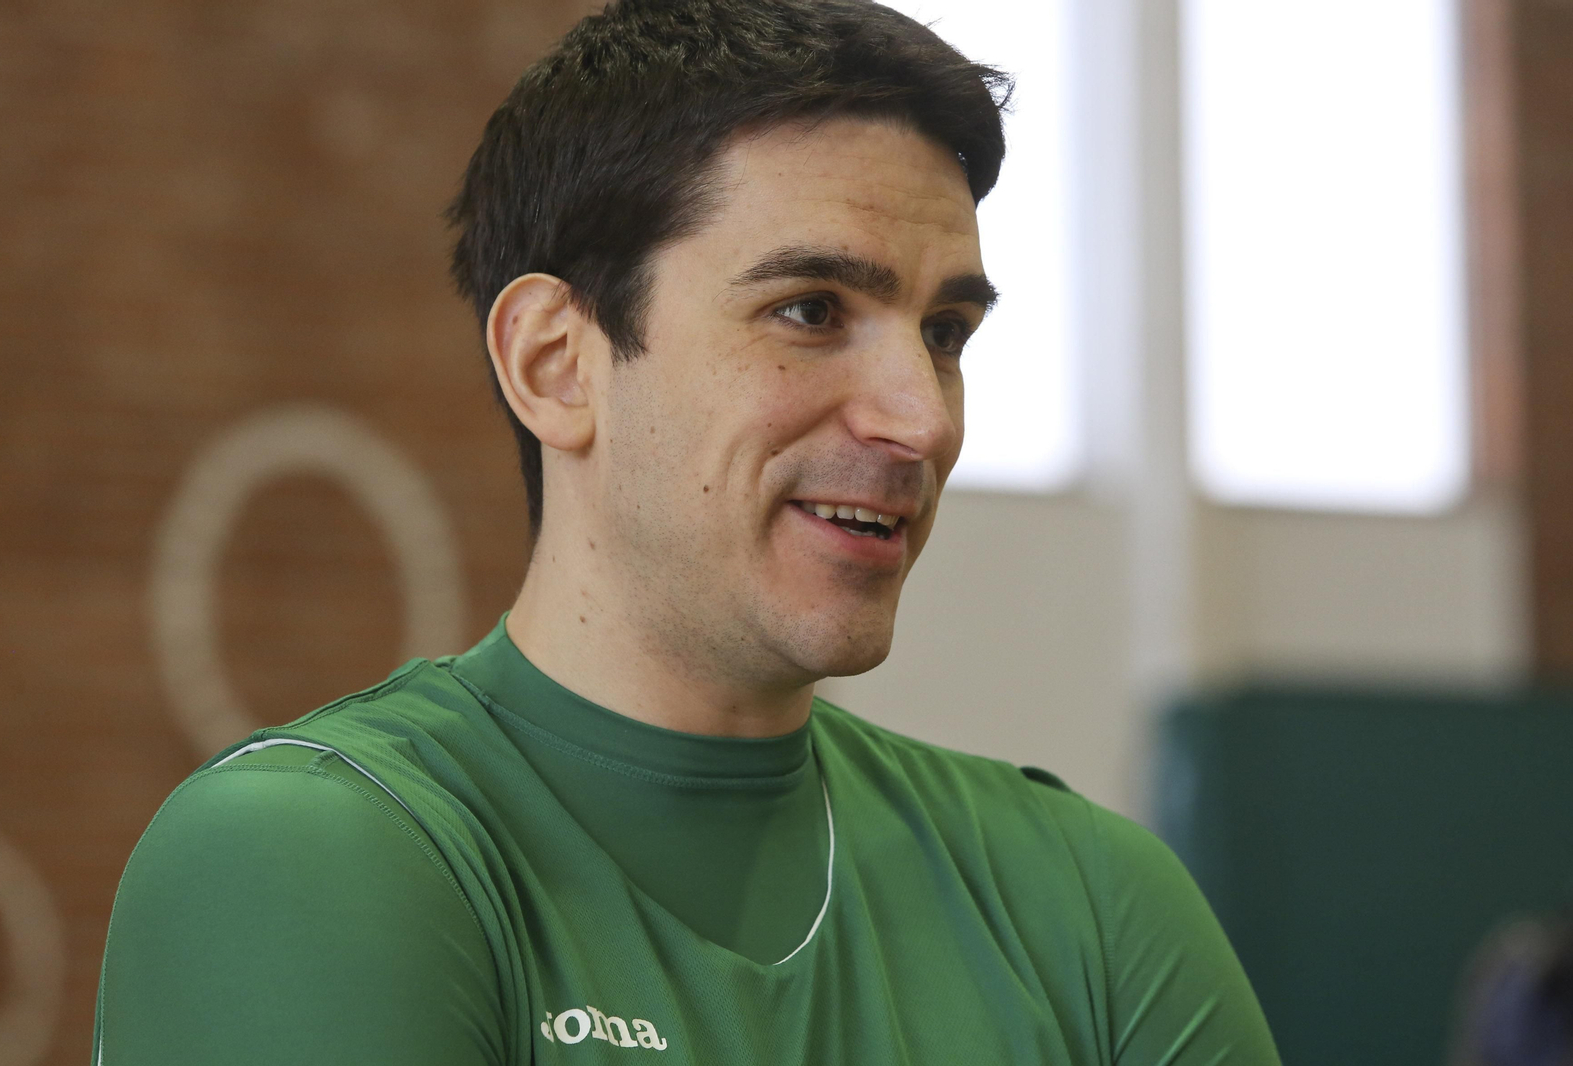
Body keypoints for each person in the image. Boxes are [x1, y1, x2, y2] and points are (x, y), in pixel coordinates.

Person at [93, 1, 1281, 1062]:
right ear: (557, 364)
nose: (919, 417)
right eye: (811, 311)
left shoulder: (1086, 898)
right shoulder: (312, 854)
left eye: (946, 333)